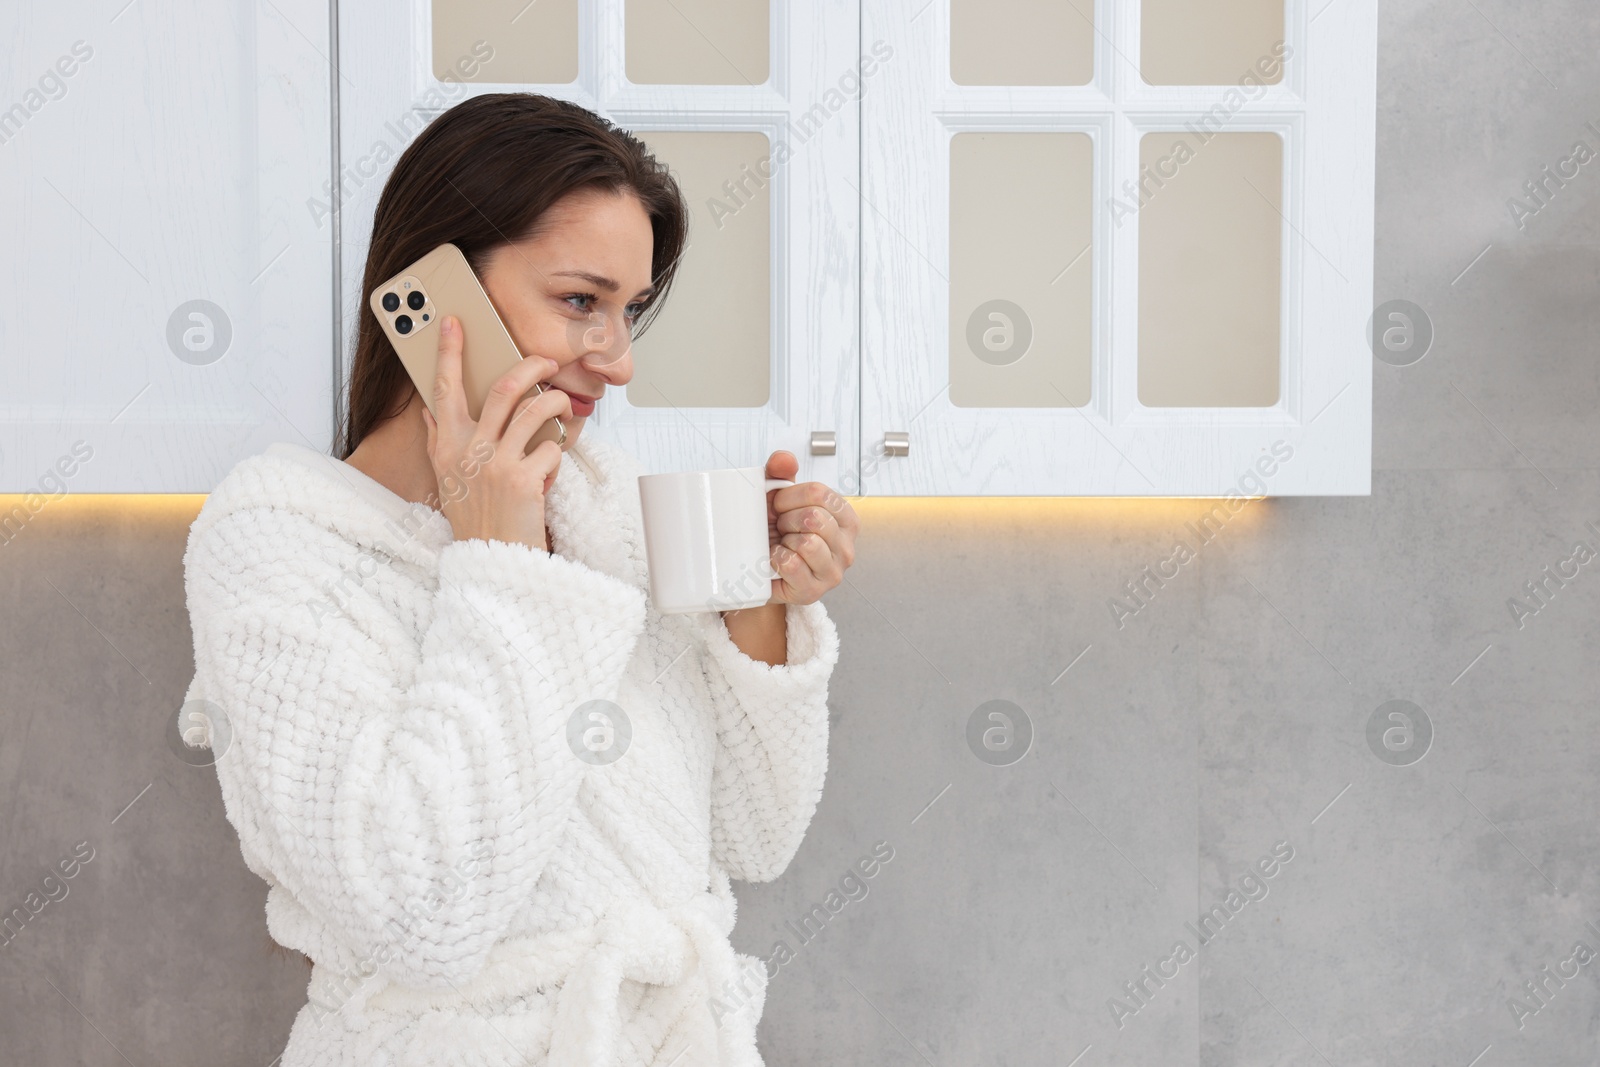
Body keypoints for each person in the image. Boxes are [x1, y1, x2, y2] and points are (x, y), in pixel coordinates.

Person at [180, 92, 859, 1066]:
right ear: (432, 289)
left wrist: (761, 613)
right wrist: (500, 562)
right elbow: (422, 920)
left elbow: (755, 838)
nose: (617, 360)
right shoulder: (280, 538)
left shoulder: (611, 511)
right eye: (581, 300)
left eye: (629, 311)